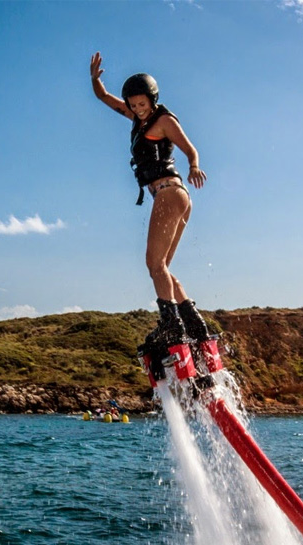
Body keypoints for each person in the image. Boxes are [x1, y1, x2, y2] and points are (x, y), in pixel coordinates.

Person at [90, 52, 210, 349]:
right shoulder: (137, 119)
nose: (137, 109)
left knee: (153, 264)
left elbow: (190, 149)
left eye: (142, 104)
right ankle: (195, 327)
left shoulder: (164, 120)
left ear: (152, 99)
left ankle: (171, 326)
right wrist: (94, 80)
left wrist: (194, 165)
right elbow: (104, 97)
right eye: (133, 105)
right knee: (163, 268)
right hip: (174, 196)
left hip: (170, 193)